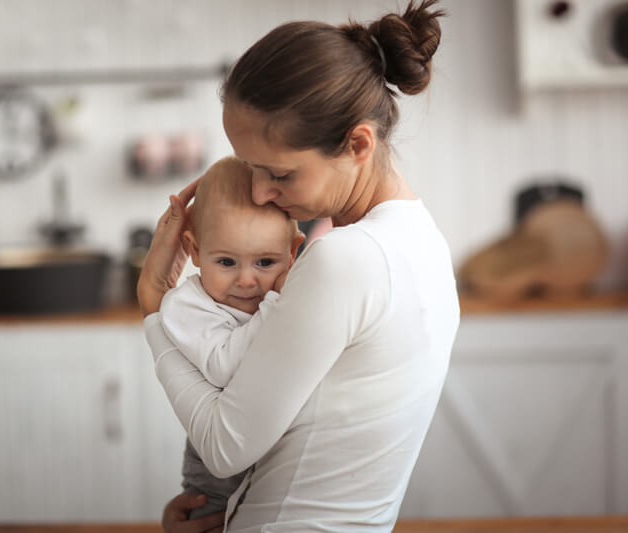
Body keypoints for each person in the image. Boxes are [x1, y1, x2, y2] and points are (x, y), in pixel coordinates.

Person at [138, 1, 460, 531]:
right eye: (250, 168)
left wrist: (154, 309)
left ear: (358, 143)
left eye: (280, 174)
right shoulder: (423, 241)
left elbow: (223, 447)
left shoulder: (344, 259)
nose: (261, 192)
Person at [158, 156, 304, 521]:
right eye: (226, 262)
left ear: (293, 252)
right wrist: (276, 304)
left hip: (280, 461)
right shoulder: (186, 305)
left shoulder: (296, 294)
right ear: (194, 249)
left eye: (265, 263)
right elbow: (226, 368)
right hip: (216, 480)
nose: (246, 280)